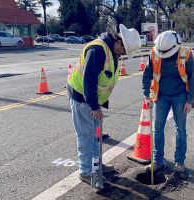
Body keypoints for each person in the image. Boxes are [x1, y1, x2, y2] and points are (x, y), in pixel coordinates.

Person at [67, 24, 141, 184]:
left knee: (94, 134)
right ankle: (86, 171)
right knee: (86, 135)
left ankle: (96, 165)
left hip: (92, 99)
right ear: (119, 43)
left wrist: (101, 102)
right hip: (81, 96)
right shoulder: (98, 50)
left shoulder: (111, 51)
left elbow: (104, 78)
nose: (123, 55)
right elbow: (89, 80)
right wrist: (94, 107)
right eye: (124, 51)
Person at [142, 30, 194, 175]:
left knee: (180, 128)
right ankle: (157, 161)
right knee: (157, 128)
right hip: (161, 96)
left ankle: (179, 162)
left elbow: (193, 79)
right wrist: (146, 96)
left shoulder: (186, 54)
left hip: (180, 95)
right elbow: (147, 74)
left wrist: (189, 101)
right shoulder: (154, 53)